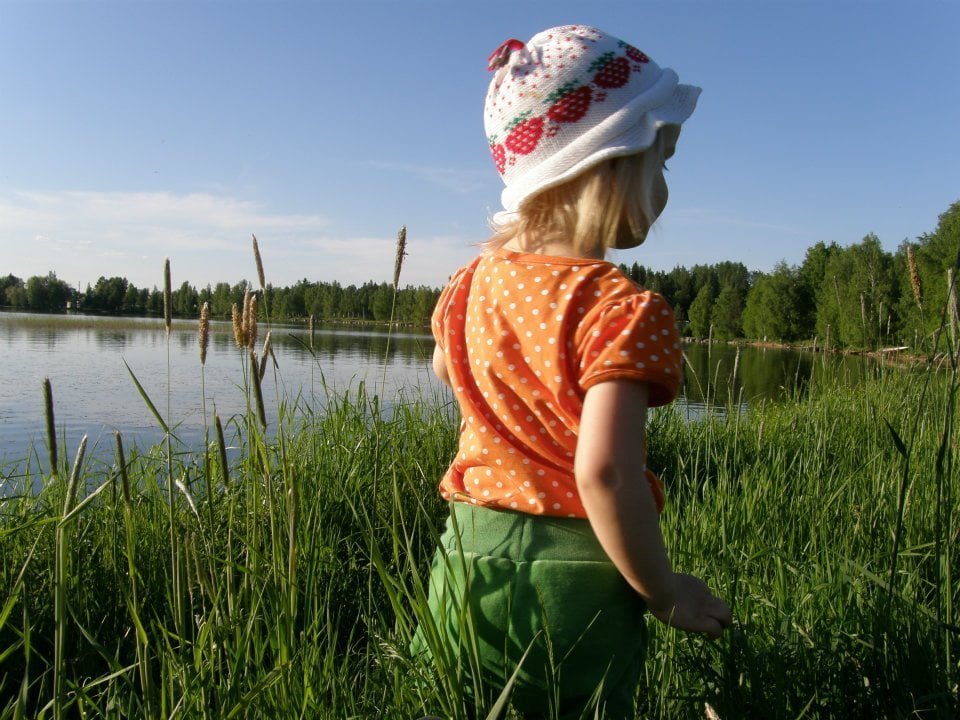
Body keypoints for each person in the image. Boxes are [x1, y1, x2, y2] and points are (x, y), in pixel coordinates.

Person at [416, 25, 732, 719]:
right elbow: (606, 474)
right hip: (577, 578)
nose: (667, 188)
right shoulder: (622, 308)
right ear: (610, 164)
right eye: (664, 165)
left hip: (467, 560)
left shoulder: (466, 286)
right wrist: (662, 590)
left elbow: (447, 368)